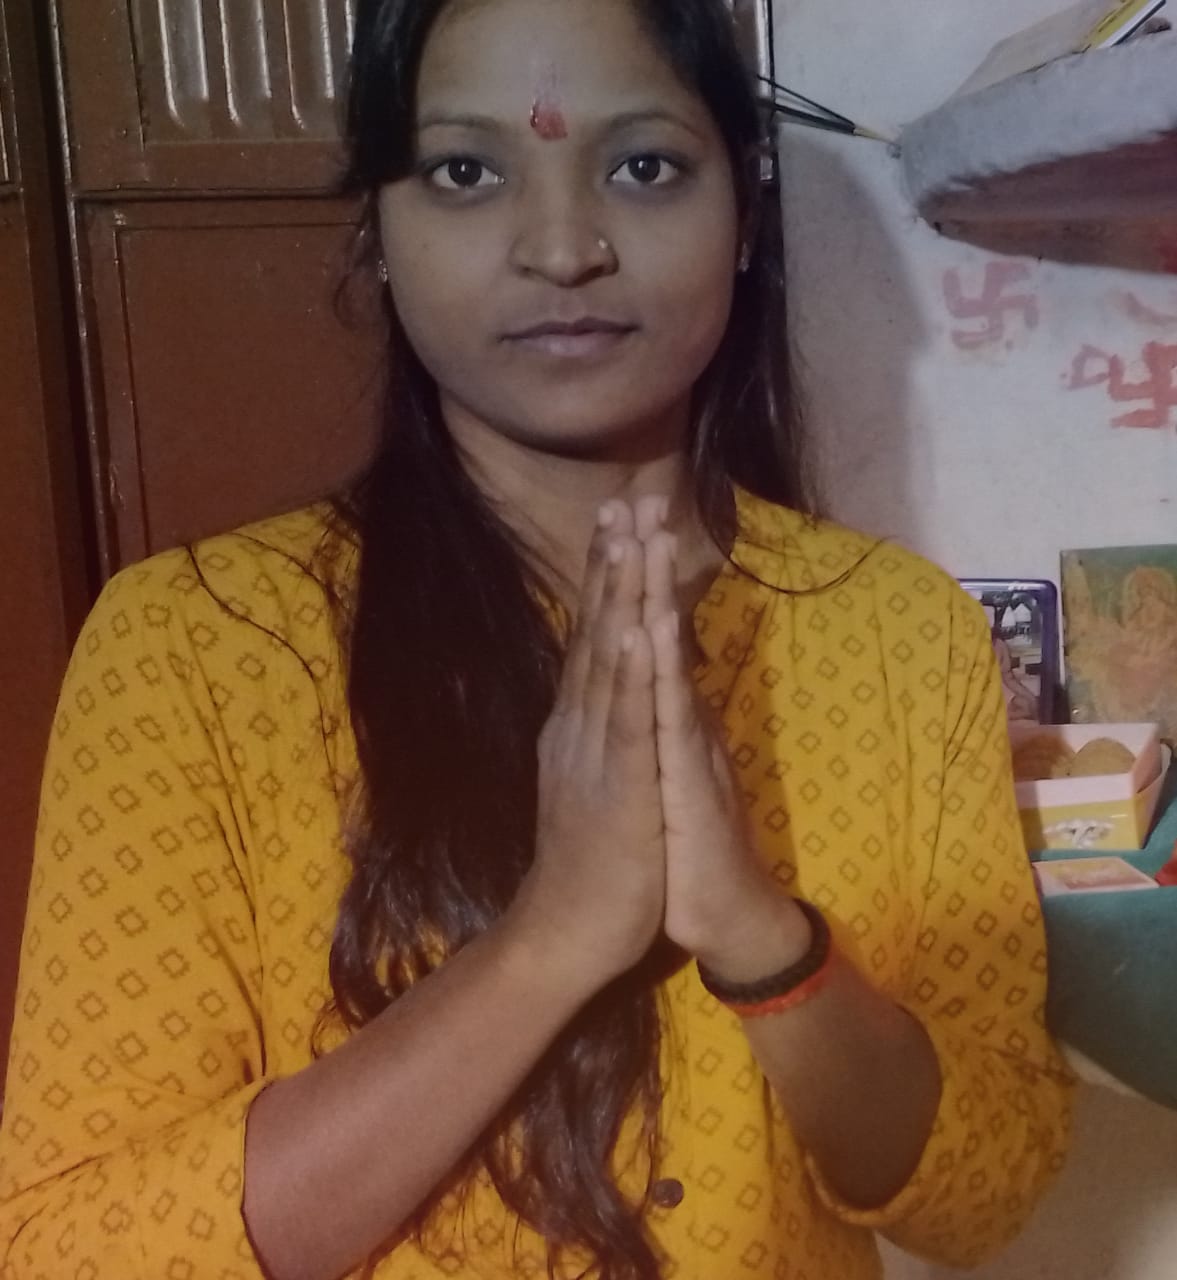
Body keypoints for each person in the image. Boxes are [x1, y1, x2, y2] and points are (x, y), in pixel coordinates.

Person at [0, 1, 1074, 1277]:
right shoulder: (198, 647)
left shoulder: (895, 633)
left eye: (645, 166)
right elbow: (74, 1248)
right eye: (466, 172)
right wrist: (552, 937)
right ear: (376, 228)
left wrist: (758, 936)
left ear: (744, 213)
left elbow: (981, 1193)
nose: (564, 248)